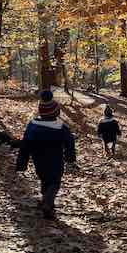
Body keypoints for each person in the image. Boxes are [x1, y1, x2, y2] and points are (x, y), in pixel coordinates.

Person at [16, 90, 76, 219]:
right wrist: (70, 158)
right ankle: (48, 203)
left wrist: (22, 162)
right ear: (56, 112)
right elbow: (70, 142)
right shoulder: (61, 127)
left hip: (38, 159)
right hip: (55, 160)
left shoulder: (32, 126)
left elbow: (25, 144)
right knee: (54, 182)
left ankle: (47, 202)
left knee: (44, 179)